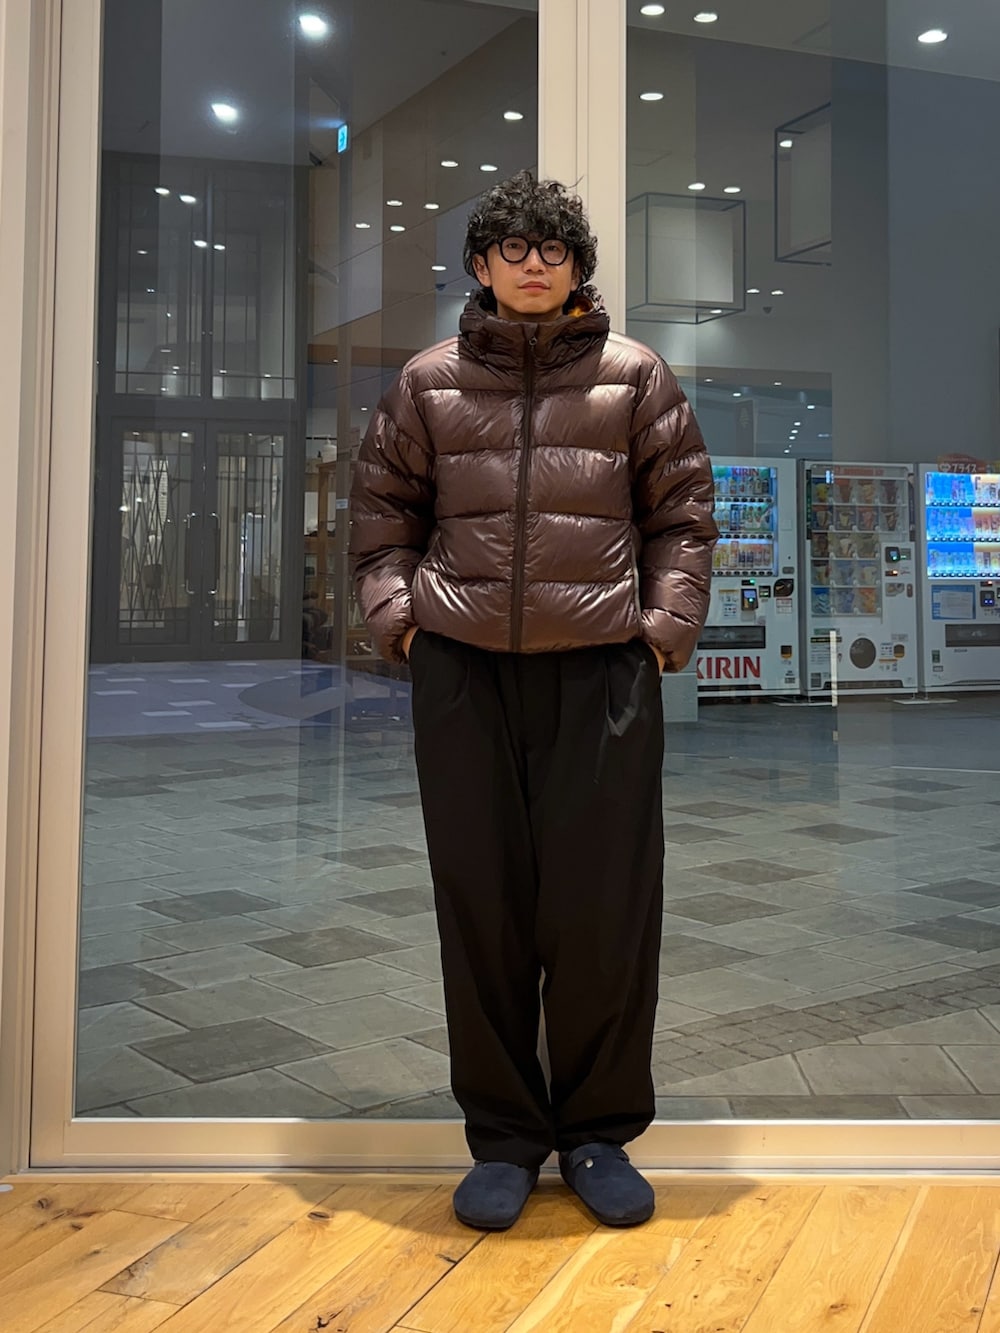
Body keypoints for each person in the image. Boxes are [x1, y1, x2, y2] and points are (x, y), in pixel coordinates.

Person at [349, 170, 717, 1231]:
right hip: (463, 672)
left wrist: (662, 629)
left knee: (604, 909)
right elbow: (380, 518)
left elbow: (684, 515)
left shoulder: (635, 376)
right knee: (483, 906)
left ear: (577, 267)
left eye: (553, 248)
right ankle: (505, 1137)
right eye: (512, 246)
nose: (533, 264)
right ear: (481, 264)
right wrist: (403, 623)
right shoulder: (426, 382)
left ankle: (597, 1131)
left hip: (600, 672)